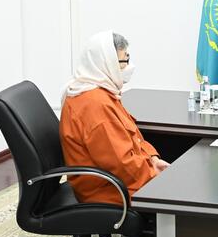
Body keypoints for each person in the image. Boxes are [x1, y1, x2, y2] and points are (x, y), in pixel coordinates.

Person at [59, 30, 170, 205]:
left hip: (119, 179)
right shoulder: (95, 104)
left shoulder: (102, 92)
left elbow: (134, 137)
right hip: (108, 189)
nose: (129, 66)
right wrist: (154, 176)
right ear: (105, 63)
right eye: (124, 61)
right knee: (178, 194)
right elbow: (121, 164)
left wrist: (153, 159)